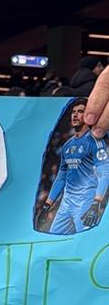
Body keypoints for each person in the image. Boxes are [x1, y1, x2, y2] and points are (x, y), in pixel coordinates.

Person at [43, 99, 109, 234]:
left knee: (86, 239)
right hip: (66, 203)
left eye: (80, 112)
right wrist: (47, 204)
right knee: (55, 238)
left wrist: (96, 203)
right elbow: (61, 177)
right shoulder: (67, 145)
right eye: (73, 112)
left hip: (85, 201)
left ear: (88, 115)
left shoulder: (94, 142)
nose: (75, 115)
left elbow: (104, 173)